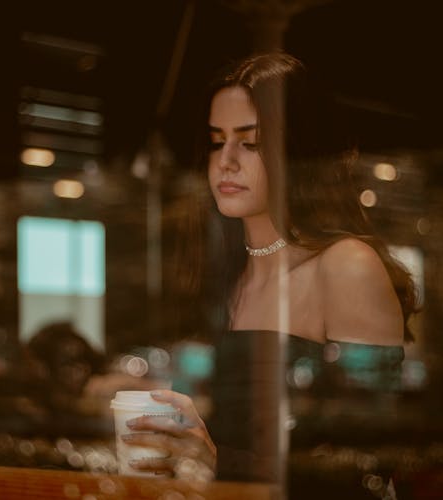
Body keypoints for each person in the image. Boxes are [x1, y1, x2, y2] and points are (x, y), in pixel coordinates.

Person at [122, 51, 417, 491]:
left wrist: (217, 461)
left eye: (251, 142)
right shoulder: (229, 272)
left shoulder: (345, 266)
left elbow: (366, 466)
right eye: (217, 140)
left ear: (298, 149)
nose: (227, 160)